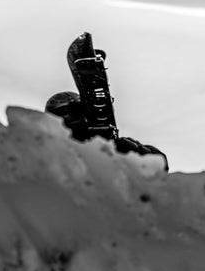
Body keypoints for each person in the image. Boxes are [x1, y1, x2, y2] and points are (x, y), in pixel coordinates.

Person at [45, 35, 168, 171]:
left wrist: (126, 148)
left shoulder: (109, 147)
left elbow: (160, 163)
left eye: (79, 109)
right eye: (74, 110)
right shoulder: (49, 151)